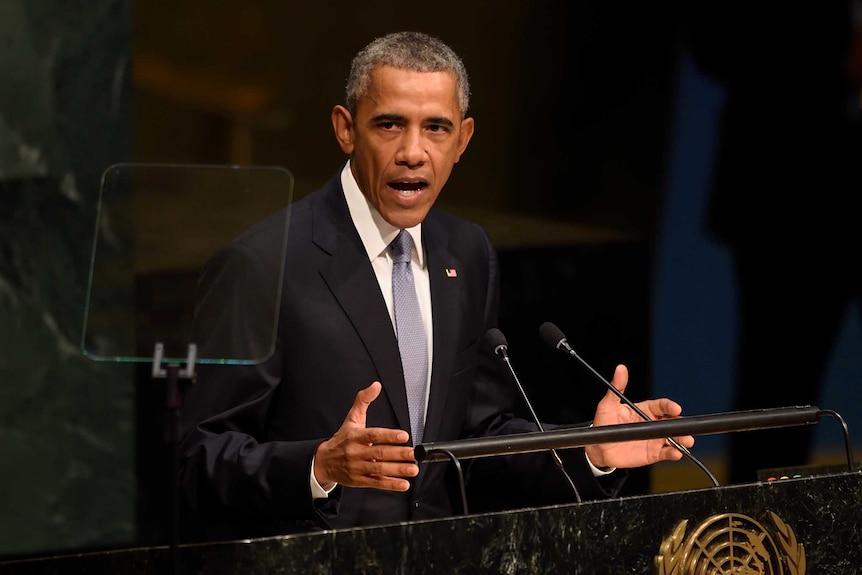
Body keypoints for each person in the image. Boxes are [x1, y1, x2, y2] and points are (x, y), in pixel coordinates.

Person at [177, 30, 694, 540]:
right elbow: (199, 459)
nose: (413, 151)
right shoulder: (263, 263)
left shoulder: (466, 252)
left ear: (464, 139)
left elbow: (477, 435)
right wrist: (317, 466)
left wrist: (589, 450)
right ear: (345, 128)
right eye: (389, 124)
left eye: (436, 128)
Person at [685, 2, 862, 483]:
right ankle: (756, 541)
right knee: (777, 390)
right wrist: (832, 54)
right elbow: (714, 40)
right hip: (785, 189)